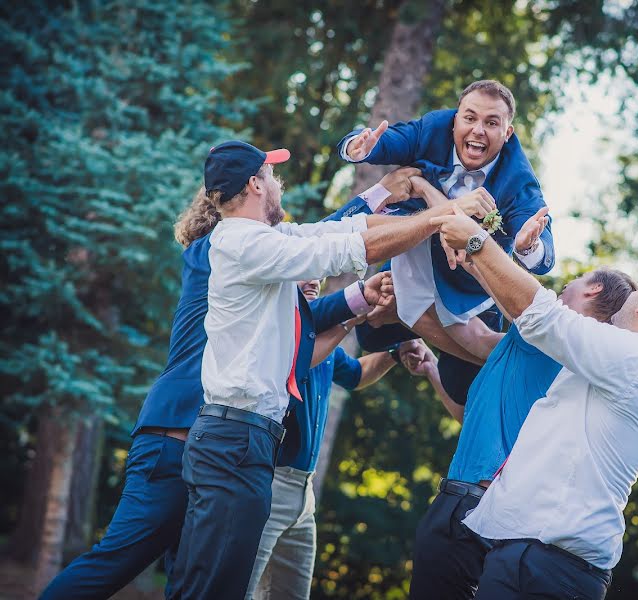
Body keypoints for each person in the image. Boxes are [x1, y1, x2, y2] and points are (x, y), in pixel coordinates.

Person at [37, 166, 412, 600]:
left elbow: (305, 310)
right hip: (175, 438)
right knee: (116, 560)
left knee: (191, 580)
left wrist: (359, 297)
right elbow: (324, 238)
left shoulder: (253, 271)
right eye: (265, 177)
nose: (272, 185)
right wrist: (382, 192)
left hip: (205, 448)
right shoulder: (214, 252)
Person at [168, 141, 493, 599]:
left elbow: (353, 227)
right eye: (272, 174)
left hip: (245, 440)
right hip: (234, 441)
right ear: (255, 184)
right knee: (214, 589)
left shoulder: (264, 239)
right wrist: (444, 216)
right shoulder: (241, 241)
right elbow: (356, 246)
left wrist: (426, 216)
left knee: (214, 584)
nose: (277, 183)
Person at [432, 205, 638, 599]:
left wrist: (478, 244)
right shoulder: (636, 363)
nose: (632, 295)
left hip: (546, 564)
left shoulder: (635, 358)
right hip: (537, 558)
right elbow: (532, 321)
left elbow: (545, 317)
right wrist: (479, 265)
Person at [408, 264, 636, 599]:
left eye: (578, 279)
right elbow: (469, 407)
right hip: (505, 524)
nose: (565, 286)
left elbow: (499, 291)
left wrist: (463, 248)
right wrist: (431, 368)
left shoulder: (543, 331)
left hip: (469, 507)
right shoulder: (563, 361)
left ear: (594, 290)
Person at [335, 80, 555, 403]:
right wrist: (361, 147)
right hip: (417, 256)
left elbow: (545, 252)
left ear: (507, 134)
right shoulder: (433, 129)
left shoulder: (517, 179)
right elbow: (392, 140)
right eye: (470, 118)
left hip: (466, 287)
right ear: (456, 119)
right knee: (370, 332)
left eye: (492, 123)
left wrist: (528, 247)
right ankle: (407, 326)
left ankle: (544, 361)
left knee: (462, 385)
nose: (478, 130)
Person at [244, 279, 428, 600]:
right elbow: (302, 352)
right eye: (304, 270)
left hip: (304, 496)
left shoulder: (322, 338)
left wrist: (395, 353)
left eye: (319, 273)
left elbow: (356, 374)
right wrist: (353, 315)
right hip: (268, 483)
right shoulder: (277, 319)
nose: (314, 279)